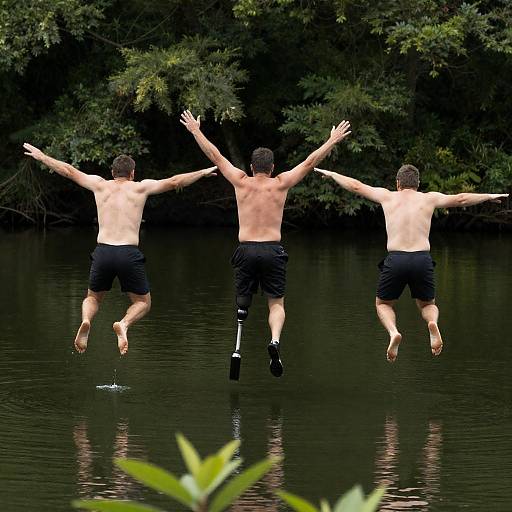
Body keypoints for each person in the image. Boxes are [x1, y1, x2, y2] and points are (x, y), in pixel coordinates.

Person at [180, 110, 351, 376]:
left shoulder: (240, 181)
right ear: (272, 168)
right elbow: (309, 162)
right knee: (276, 303)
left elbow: (215, 156)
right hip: (273, 249)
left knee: (243, 300)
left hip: (246, 249)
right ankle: (274, 340)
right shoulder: (280, 184)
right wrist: (332, 140)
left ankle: (240, 325)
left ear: (251, 167)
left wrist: (195, 131)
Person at [23, 143, 216, 355]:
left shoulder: (99, 185)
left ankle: (87, 320)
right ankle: (123, 324)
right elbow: (175, 182)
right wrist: (203, 171)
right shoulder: (141, 187)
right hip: (128, 253)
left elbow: (68, 170)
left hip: (103, 252)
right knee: (143, 302)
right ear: (132, 173)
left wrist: (42, 157)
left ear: (112, 172)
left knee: (93, 298)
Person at [315, 164, 508, 362]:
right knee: (427, 305)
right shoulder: (429, 198)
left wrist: (332, 174)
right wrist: (489, 195)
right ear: (418, 184)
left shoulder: (387, 196)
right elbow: (460, 199)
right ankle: (432, 323)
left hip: (396, 259)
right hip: (422, 259)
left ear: (398, 183)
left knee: (383, 304)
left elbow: (356, 186)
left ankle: (393, 333)